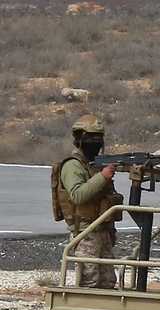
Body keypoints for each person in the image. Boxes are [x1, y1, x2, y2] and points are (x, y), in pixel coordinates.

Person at [51, 114, 123, 289]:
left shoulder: (92, 165)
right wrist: (103, 176)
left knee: (107, 281)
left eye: (99, 138)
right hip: (85, 232)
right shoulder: (72, 166)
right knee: (88, 281)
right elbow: (78, 195)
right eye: (91, 138)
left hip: (102, 231)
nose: (96, 142)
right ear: (80, 139)